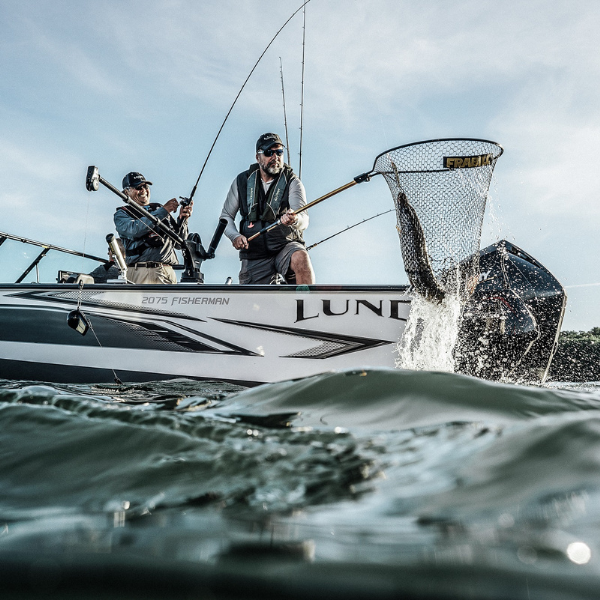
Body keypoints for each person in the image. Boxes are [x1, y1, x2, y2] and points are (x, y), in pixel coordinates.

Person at [220, 133, 315, 284]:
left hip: (285, 246)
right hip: (254, 253)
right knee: (252, 303)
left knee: (301, 257)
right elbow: (226, 217)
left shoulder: (293, 182)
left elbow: (304, 220)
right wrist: (235, 236)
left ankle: (305, 304)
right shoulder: (241, 182)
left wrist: (295, 219)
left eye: (279, 152)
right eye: (269, 153)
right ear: (258, 157)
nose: (275, 157)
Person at [114, 172, 193, 284]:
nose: (143, 190)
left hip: (168, 272)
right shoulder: (122, 214)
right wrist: (164, 211)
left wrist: (182, 219)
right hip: (141, 271)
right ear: (126, 192)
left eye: (145, 186)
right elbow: (134, 230)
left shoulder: (159, 209)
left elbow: (179, 244)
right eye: (138, 187)